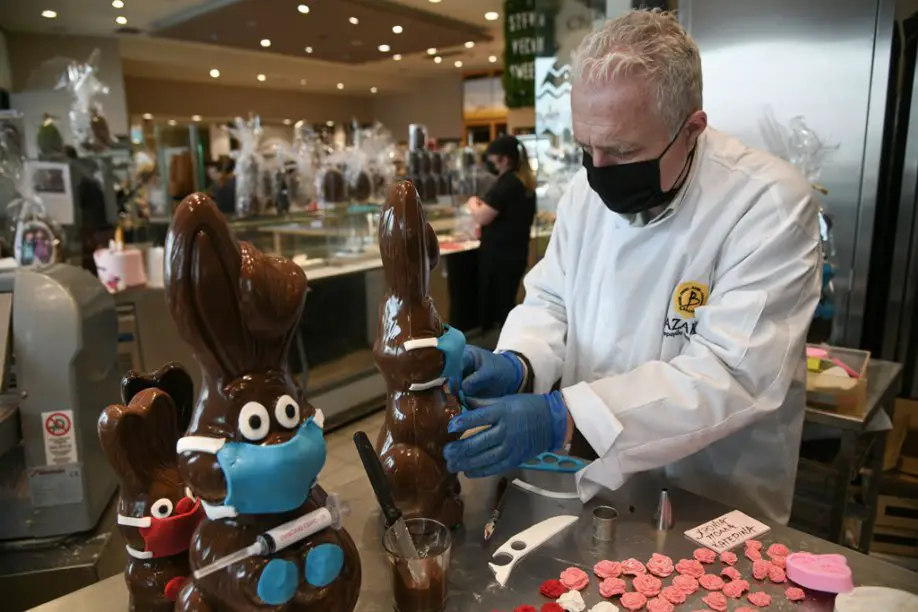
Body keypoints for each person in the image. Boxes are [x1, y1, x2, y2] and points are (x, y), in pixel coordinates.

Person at [443, 9, 822, 524]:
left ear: (691, 130)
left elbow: (731, 374)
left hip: (708, 498)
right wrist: (520, 362)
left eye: (622, 152)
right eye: (586, 148)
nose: (598, 172)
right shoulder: (585, 191)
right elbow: (552, 300)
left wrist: (565, 416)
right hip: (586, 480)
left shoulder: (767, 204)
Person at [466, 135, 537, 332]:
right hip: (516, 253)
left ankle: (498, 343)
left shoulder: (508, 183)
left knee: (498, 306)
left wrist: (472, 202)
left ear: (503, 159)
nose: (490, 163)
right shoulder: (524, 183)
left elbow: (483, 216)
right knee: (506, 301)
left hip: (499, 256)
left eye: (492, 158)